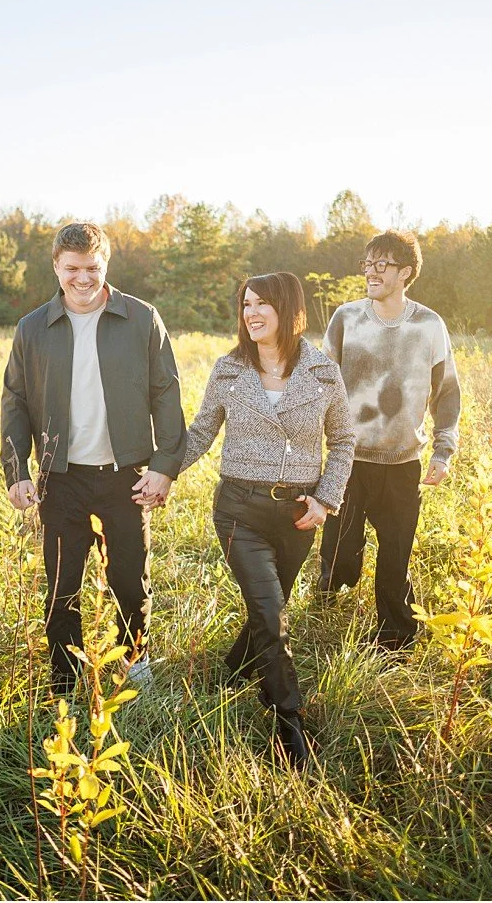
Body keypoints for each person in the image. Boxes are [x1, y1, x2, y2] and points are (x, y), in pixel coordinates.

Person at [1, 222, 187, 696]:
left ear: (106, 265)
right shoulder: (32, 328)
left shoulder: (141, 318)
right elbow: (15, 401)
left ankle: (134, 661)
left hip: (126, 476)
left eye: (92, 268)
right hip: (60, 478)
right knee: (62, 585)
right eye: (72, 269)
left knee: (129, 578)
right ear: (56, 267)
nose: (82, 278)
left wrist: (164, 467)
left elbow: (166, 394)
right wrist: (16, 471)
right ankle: (64, 680)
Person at [179, 271, 355, 767]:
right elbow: (201, 432)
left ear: (289, 310)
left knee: (267, 607)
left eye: (262, 304)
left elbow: (343, 440)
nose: (251, 313)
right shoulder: (229, 369)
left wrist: (326, 500)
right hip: (240, 510)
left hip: (298, 514)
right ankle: (289, 720)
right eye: (246, 304)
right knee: (271, 612)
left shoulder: (322, 372)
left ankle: (234, 670)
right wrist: (159, 474)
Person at [318, 229, 461, 652]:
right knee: (340, 555)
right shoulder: (346, 318)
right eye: (368, 264)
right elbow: (321, 382)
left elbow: (446, 391)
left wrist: (443, 451)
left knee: (395, 557)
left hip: (402, 463)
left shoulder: (428, 325)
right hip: (348, 461)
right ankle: (326, 601)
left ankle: (395, 640)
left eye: (382, 264)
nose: (371, 272)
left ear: (406, 272)